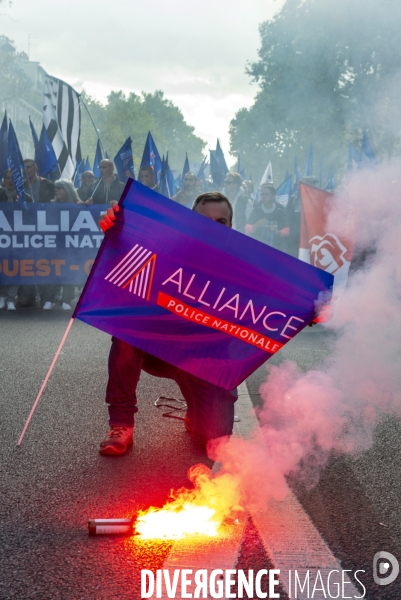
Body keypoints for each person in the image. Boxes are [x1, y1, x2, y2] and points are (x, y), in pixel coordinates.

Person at [98, 191, 237, 456]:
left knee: (214, 439)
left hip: (204, 360)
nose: (211, 227)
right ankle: (121, 424)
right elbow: (127, 245)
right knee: (125, 330)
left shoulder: (248, 266)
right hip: (157, 349)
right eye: (202, 220)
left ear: (231, 227)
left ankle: (197, 415)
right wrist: (112, 224)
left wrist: (314, 308)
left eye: (220, 222)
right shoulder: (165, 246)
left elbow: (282, 304)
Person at [245, 182, 289, 252]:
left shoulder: (280, 211)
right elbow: (247, 229)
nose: (263, 197)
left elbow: (287, 231)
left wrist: (276, 231)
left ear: (273, 196)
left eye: (266, 194)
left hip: (276, 247)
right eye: (262, 194)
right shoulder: (256, 210)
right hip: (258, 248)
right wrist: (257, 224)